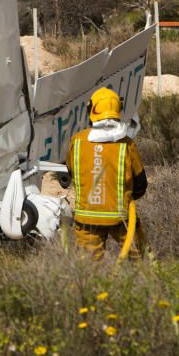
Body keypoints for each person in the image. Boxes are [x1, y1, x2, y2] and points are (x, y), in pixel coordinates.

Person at [65, 87, 148, 260]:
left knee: (89, 271)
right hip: (122, 219)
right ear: (118, 110)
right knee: (140, 262)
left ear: (91, 110)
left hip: (86, 220)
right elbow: (141, 185)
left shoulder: (77, 141)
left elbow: (72, 173)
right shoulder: (126, 144)